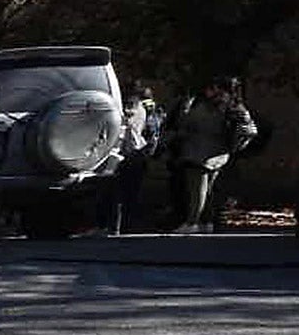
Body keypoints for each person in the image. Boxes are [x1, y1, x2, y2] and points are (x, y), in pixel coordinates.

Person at [166, 77, 258, 233]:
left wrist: (185, 112)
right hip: (218, 153)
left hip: (200, 152)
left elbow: (190, 124)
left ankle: (192, 222)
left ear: (217, 89)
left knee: (197, 190)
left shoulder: (211, 107)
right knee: (208, 190)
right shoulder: (235, 106)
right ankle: (206, 221)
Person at [102, 83, 157, 234]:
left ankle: (118, 227)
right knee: (131, 192)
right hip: (140, 153)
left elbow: (127, 125)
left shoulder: (132, 111)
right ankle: (127, 226)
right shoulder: (149, 110)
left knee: (120, 193)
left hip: (129, 154)